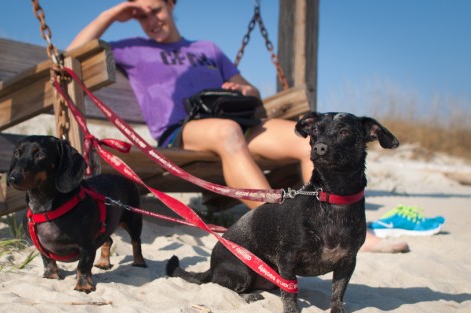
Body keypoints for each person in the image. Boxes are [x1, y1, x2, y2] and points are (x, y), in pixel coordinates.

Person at [67, 0, 409, 253]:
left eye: (154, 9)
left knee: (308, 141)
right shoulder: (133, 49)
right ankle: (278, 223)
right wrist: (112, 13)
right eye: (140, 14)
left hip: (240, 121)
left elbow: (251, 89)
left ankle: (336, 226)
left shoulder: (207, 49)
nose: (149, 19)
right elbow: (71, 53)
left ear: (171, 5)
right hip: (184, 129)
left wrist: (244, 89)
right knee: (227, 133)